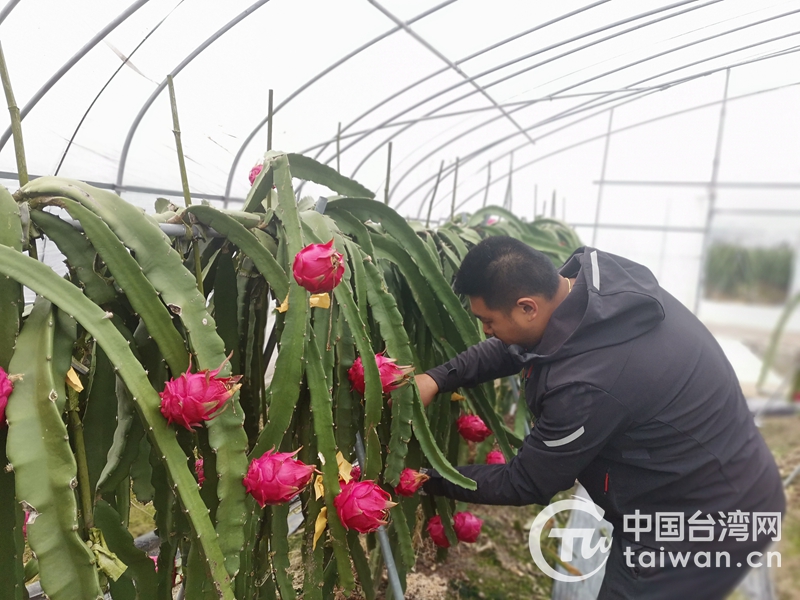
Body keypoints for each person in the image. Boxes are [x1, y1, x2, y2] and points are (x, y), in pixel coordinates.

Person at [416, 237, 785, 600]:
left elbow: (526, 481)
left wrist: (425, 479)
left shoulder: (587, 385)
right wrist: (438, 377)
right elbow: (521, 343)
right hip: (711, 475)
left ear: (527, 307)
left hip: (702, 521)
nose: (485, 331)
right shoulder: (592, 285)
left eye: (488, 320)